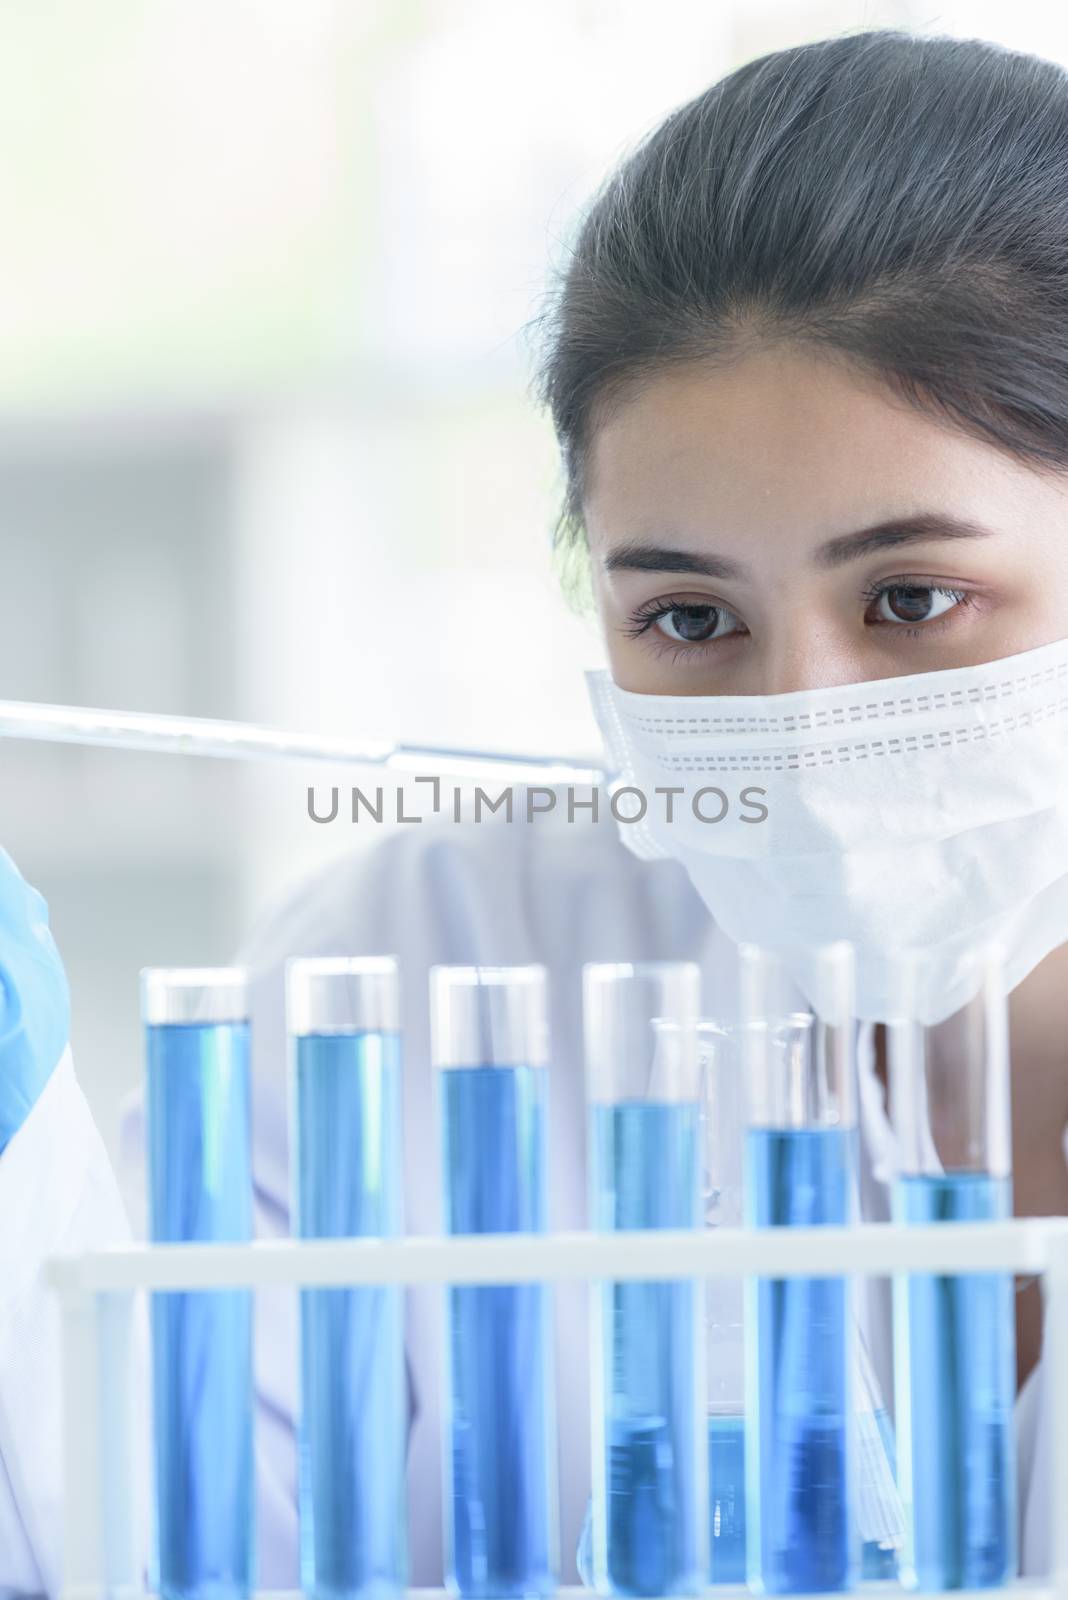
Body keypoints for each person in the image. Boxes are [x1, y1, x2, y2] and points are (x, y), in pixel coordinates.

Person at [3, 22, 1068, 1593]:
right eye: (692, 620)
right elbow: (119, 1529)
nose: (799, 731)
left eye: (913, 598)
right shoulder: (444, 952)